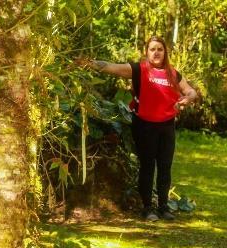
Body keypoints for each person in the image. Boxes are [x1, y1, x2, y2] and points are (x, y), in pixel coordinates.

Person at [76, 36, 197, 221]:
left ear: (165, 53)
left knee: (165, 167)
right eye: (152, 49)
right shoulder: (139, 70)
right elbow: (111, 67)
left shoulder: (173, 73)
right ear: (146, 52)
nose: (156, 52)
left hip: (167, 127)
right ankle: (147, 208)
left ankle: (164, 206)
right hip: (145, 126)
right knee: (147, 166)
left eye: (160, 49)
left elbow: (190, 90)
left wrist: (188, 98)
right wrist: (89, 63)